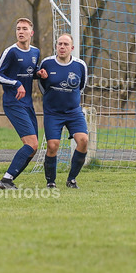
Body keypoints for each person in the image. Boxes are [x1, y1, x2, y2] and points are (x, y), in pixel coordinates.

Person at [0, 18, 42, 190]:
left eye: (24, 29)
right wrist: (16, 83)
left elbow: (30, 71)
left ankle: (9, 179)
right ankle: (6, 180)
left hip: (28, 103)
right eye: (18, 29)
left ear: (31, 33)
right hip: (13, 103)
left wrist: (39, 73)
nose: (21, 31)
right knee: (31, 144)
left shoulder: (35, 52)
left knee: (33, 148)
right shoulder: (11, 52)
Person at [37, 34, 89, 188]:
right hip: (53, 113)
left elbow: (81, 87)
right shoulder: (47, 63)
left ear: (71, 48)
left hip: (73, 112)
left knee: (83, 141)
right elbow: (42, 86)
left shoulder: (80, 65)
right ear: (56, 46)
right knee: (53, 145)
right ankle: (50, 182)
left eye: (66, 44)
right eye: (59, 44)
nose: (62, 47)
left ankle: (71, 179)